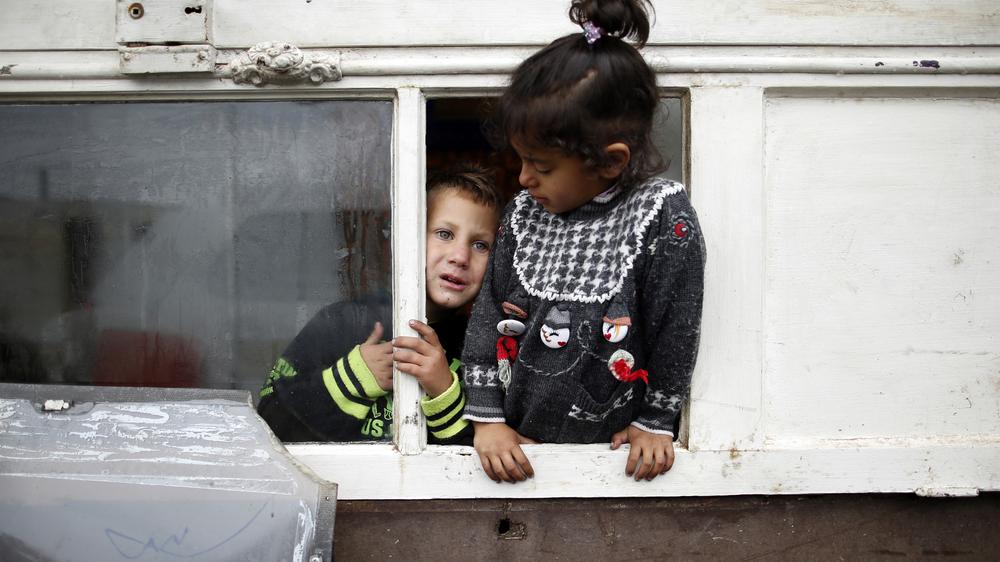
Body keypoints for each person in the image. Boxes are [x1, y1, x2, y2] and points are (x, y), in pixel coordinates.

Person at [461, 0, 705, 483]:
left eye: (543, 166)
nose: (525, 178)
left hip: (613, 465)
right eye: (522, 160)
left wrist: (654, 421)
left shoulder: (661, 216)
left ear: (611, 162)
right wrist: (488, 419)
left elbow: (676, 324)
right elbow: (490, 314)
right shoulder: (524, 214)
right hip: (520, 451)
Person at [258, 164, 503, 444]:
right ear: (408, 235)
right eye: (444, 234)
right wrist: (353, 378)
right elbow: (269, 423)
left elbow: (483, 465)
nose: (460, 256)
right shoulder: (342, 323)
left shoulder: (482, 348)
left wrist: (444, 390)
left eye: (480, 245)